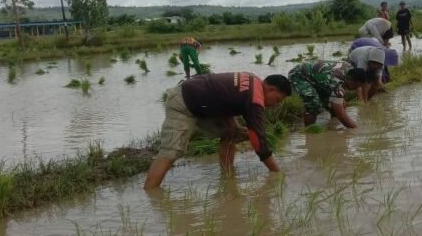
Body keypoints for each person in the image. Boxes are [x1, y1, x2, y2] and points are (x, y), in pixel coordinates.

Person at [144, 72, 292, 189]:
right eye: (278, 100)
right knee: (171, 151)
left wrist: (234, 128)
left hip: (200, 101)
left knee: (231, 133)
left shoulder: (253, 79)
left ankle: (227, 177)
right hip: (182, 103)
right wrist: (276, 172)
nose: (276, 105)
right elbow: (259, 141)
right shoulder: (255, 99)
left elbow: (226, 99)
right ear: (271, 89)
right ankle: (150, 194)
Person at [288, 60, 367, 129]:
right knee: (313, 103)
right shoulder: (337, 82)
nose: (355, 89)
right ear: (351, 80)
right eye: (356, 86)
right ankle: (309, 131)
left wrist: (340, 100)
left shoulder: (349, 69)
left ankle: (332, 126)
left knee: (334, 104)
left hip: (318, 79)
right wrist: (355, 128)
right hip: (299, 75)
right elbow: (341, 114)